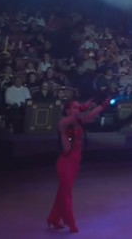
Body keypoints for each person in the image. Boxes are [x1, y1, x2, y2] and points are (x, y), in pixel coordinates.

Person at [46, 99, 108, 233]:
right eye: (75, 107)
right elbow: (74, 117)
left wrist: (103, 105)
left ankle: (53, 218)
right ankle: (70, 222)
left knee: (62, 192)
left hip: (75, 161)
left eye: (78, 107)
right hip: (65, 162)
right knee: (66, 193)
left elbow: (91, 115)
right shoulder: (63, 123)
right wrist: (83, 106)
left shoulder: (80, 121)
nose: (78, 109)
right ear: (67, 110)